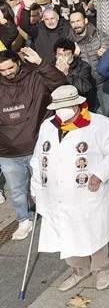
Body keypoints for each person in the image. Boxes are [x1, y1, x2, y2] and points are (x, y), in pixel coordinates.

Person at [30, 84, 109, 291]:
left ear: (77, 105)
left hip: (85, 193)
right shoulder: (48, 126)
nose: (61, 113)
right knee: (64, 232)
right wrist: (35, 188)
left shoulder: (99, 124)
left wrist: (100, 174)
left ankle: (101, 270)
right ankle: (78, 270)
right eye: (58, 108)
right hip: (55, 195)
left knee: (93, 232)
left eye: (66, 107)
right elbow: (37, 160)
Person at [0, 47, 66, 239]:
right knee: (17, 190)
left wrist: (41, 63)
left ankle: (54, 217)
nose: (7, 73)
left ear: (18, 63)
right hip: (7, 152)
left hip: (36, 147)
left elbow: (60, 83)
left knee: (47, 185)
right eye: (2, 71)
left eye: (10, 68)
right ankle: (23, 220)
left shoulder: (35, 77)